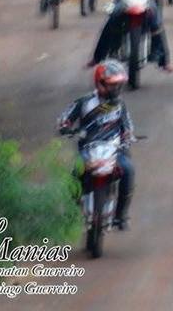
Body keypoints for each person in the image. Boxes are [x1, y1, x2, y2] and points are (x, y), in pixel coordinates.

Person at [58, 60, 136, 230]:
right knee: (74, 175)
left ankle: (120, 216)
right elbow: (66, 118)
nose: (115, 89)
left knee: (128, 170)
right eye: (112, 85)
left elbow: (127, 125)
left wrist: (128, 136)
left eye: (118, 85)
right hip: (88, 149)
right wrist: (66, 128)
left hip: (115, 149)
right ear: (100, 83)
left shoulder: (120, 105)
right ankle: (71, 213)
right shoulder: (84, 102)